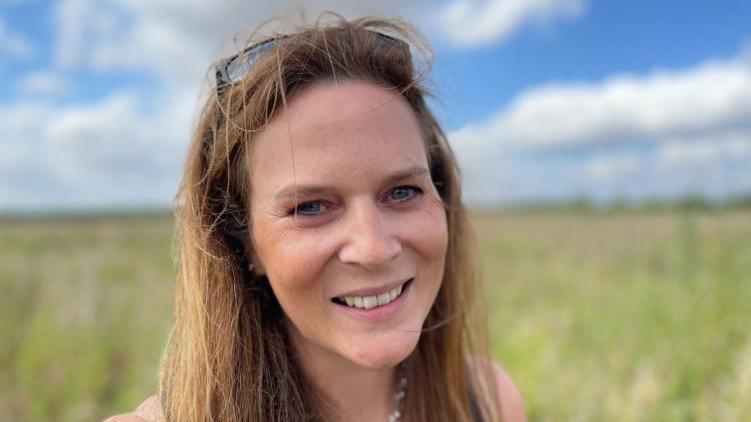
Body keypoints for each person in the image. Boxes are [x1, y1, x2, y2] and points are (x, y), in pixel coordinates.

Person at [105, 14, 526, 422]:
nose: (374, 249)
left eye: (402, 192)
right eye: (310, 207)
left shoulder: (489, 401)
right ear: (243, 241)